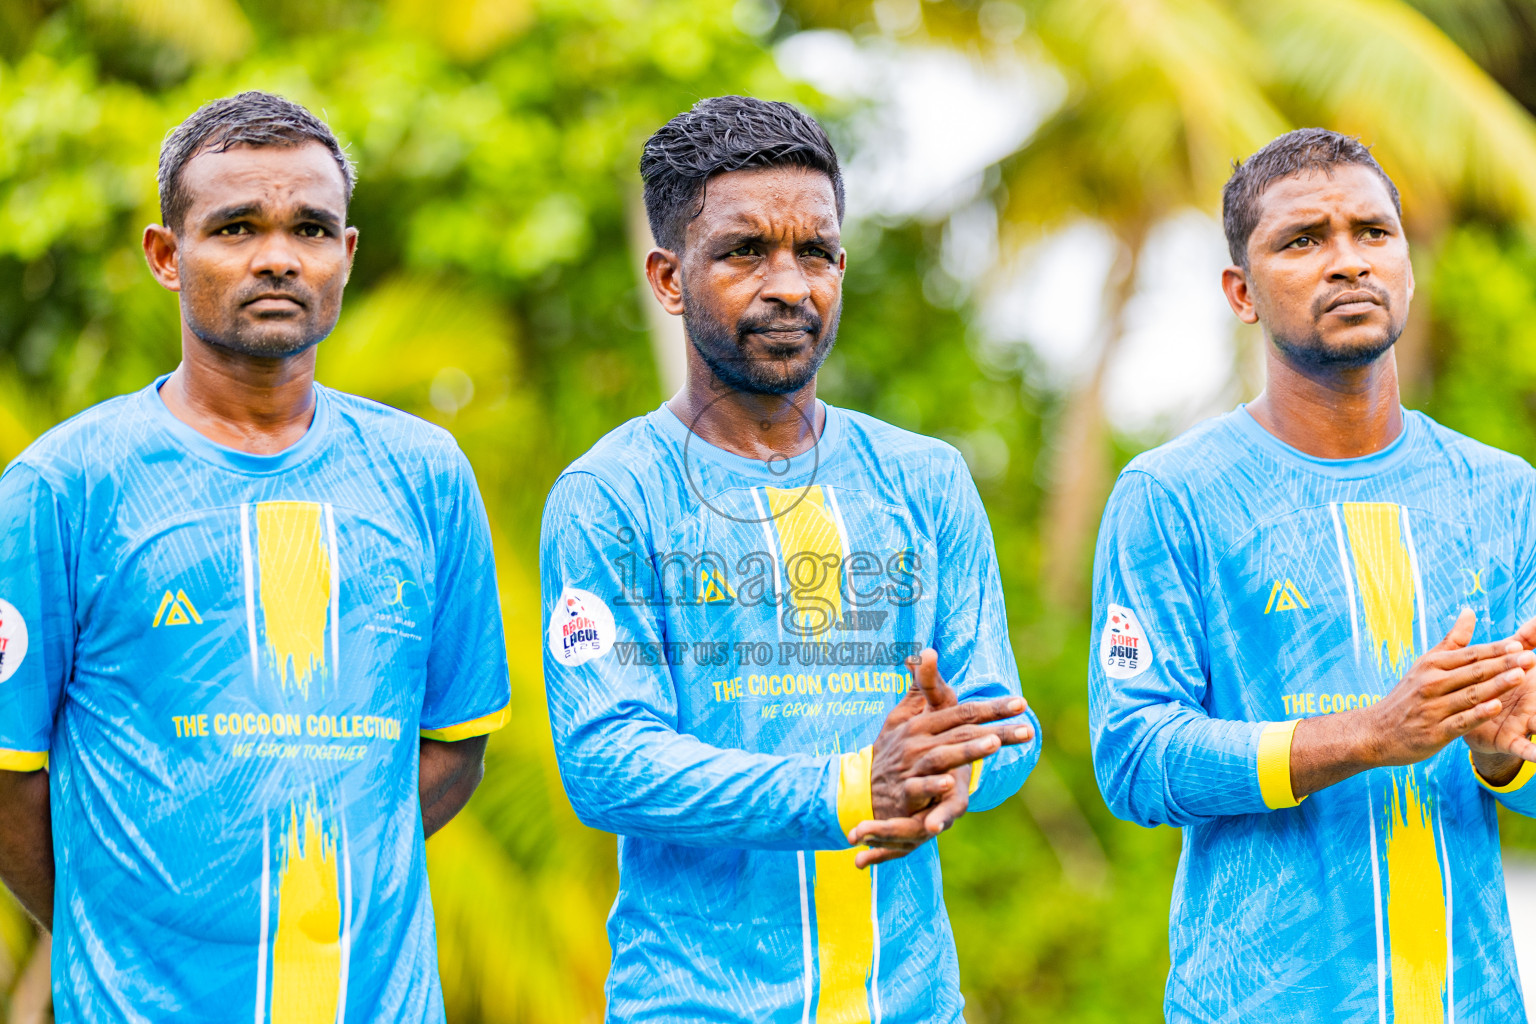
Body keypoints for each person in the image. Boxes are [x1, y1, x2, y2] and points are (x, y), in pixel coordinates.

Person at [0, 91, 510, 1022]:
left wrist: (325, 865)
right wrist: (119, 918)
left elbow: (454, 747)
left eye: (311, 228)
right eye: (236, 227)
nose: (278, 256)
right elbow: (5, 777)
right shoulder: (64, 487)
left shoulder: (426, 476)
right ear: (166, 255)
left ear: (345, 256)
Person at [539, 95, 1040, 1023]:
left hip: (915, 1004)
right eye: (744, 252)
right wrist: (854, 783)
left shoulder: (926, 480)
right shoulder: (611, 494)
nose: (789, 285)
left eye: (815, 252)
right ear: (668, 276)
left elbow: (1007, 723)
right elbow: (609, 758)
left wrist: (956, 764)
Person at [1090, 127, 1536, 1022]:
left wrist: (1501, 756)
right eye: (1303, 240)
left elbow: (1525, 760)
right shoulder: (1175, 495)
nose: (1349, 263)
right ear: (1241, 293)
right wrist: (1369, 735)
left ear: (1407, 262)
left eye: (1374, 233)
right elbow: (1135, 760)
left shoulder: (1503, 492)